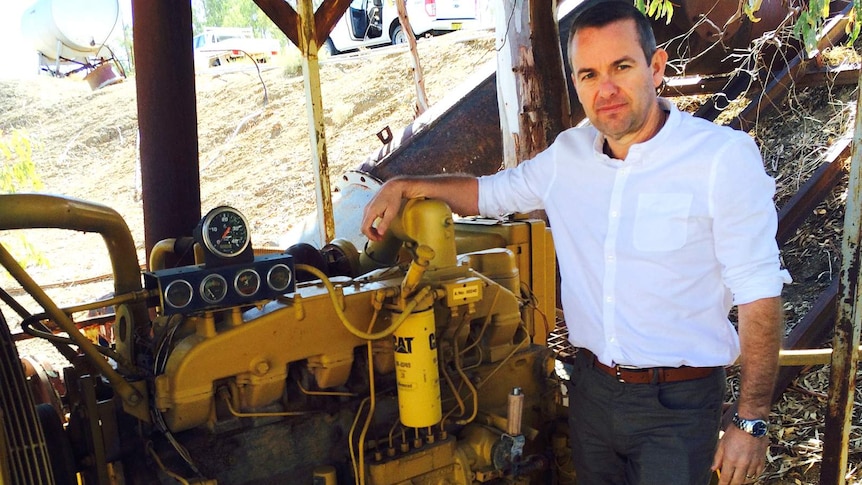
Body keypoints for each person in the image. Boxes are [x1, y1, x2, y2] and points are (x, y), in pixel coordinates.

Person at [360, 1, 790, 483]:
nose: (605, 89)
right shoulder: (568, 155)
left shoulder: (720, 158)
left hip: (678, 405)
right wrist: (406, 185)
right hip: (591, 394)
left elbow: (759, 291)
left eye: (621, 67)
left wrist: (750, 420)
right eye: (587, 74)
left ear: (656, 67)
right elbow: (488, 193)